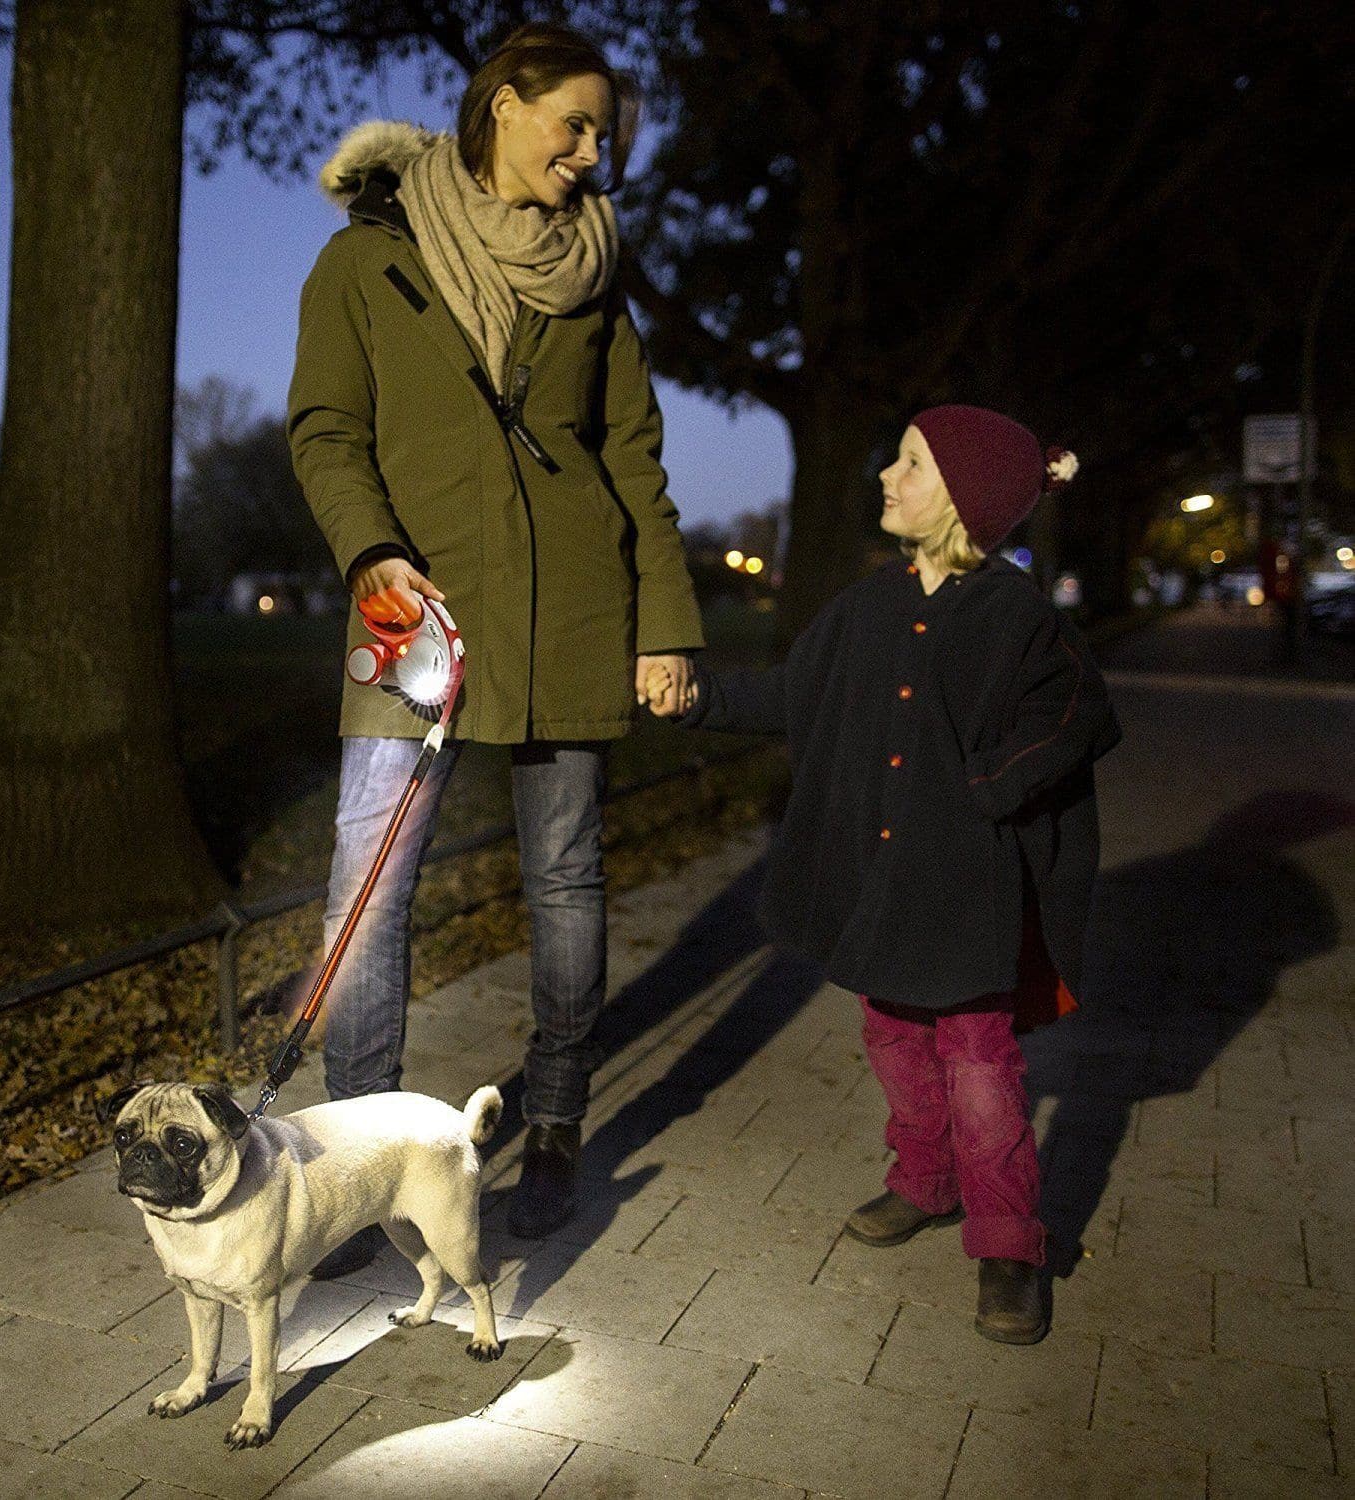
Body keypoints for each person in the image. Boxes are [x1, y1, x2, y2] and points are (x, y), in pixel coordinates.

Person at [287, 24, 703, 1260]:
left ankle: (558, 1122)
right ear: (506, 105)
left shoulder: (595, 275)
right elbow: (324, 430)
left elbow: (633, 459)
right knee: (367, 892)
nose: (592, 152)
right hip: (408, 610)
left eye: (604, 136)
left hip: (573, 606)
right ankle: (361, 1159)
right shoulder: (366, 259)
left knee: (565, 879)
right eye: (576, 123)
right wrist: (371, 552)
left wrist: (666, 625)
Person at [646, 406, 1120, 1342]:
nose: (886, 478)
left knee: (978, 1062)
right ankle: (927, 1181)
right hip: (882, 877)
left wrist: (988, 789)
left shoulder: (1018, 617)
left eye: (910, 464)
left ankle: (1009, 1244)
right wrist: (697, 697)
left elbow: (1079, 715)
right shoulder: (867, 605)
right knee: (894, 1034)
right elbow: (793, 695)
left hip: (970, 884)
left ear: (964, 496)